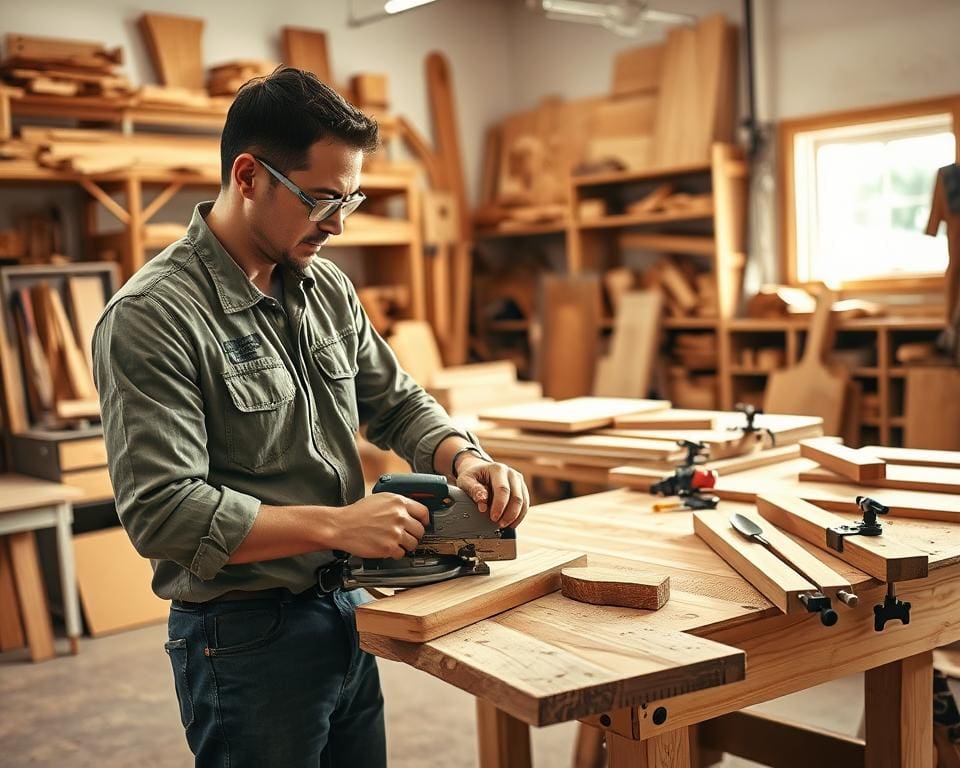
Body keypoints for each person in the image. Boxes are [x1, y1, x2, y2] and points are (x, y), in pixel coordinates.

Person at [92, 66, 529, 768]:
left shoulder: (324, 286)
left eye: (350, 199)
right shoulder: (154, 317)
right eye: (321, 198)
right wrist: (338, 523)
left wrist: (463, 458)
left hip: (346, 609)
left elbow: (394, 400)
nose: (337, 223)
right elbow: (163, 513)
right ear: (247, 175)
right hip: (244, 638)